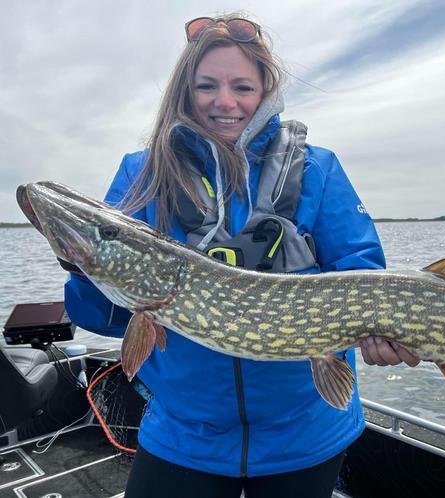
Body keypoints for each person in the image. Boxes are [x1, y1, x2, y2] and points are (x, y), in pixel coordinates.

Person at [64, 14, 419, 498]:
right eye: (207, 85)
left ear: (265, 92)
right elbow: (100, 317)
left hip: (305, 433)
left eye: (242, 87)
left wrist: (385, 336)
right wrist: (83, 265)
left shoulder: (317, 169)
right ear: (184, 91)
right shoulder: (143, 173)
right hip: (183, 438)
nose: (225, 102)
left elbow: (361, 278)